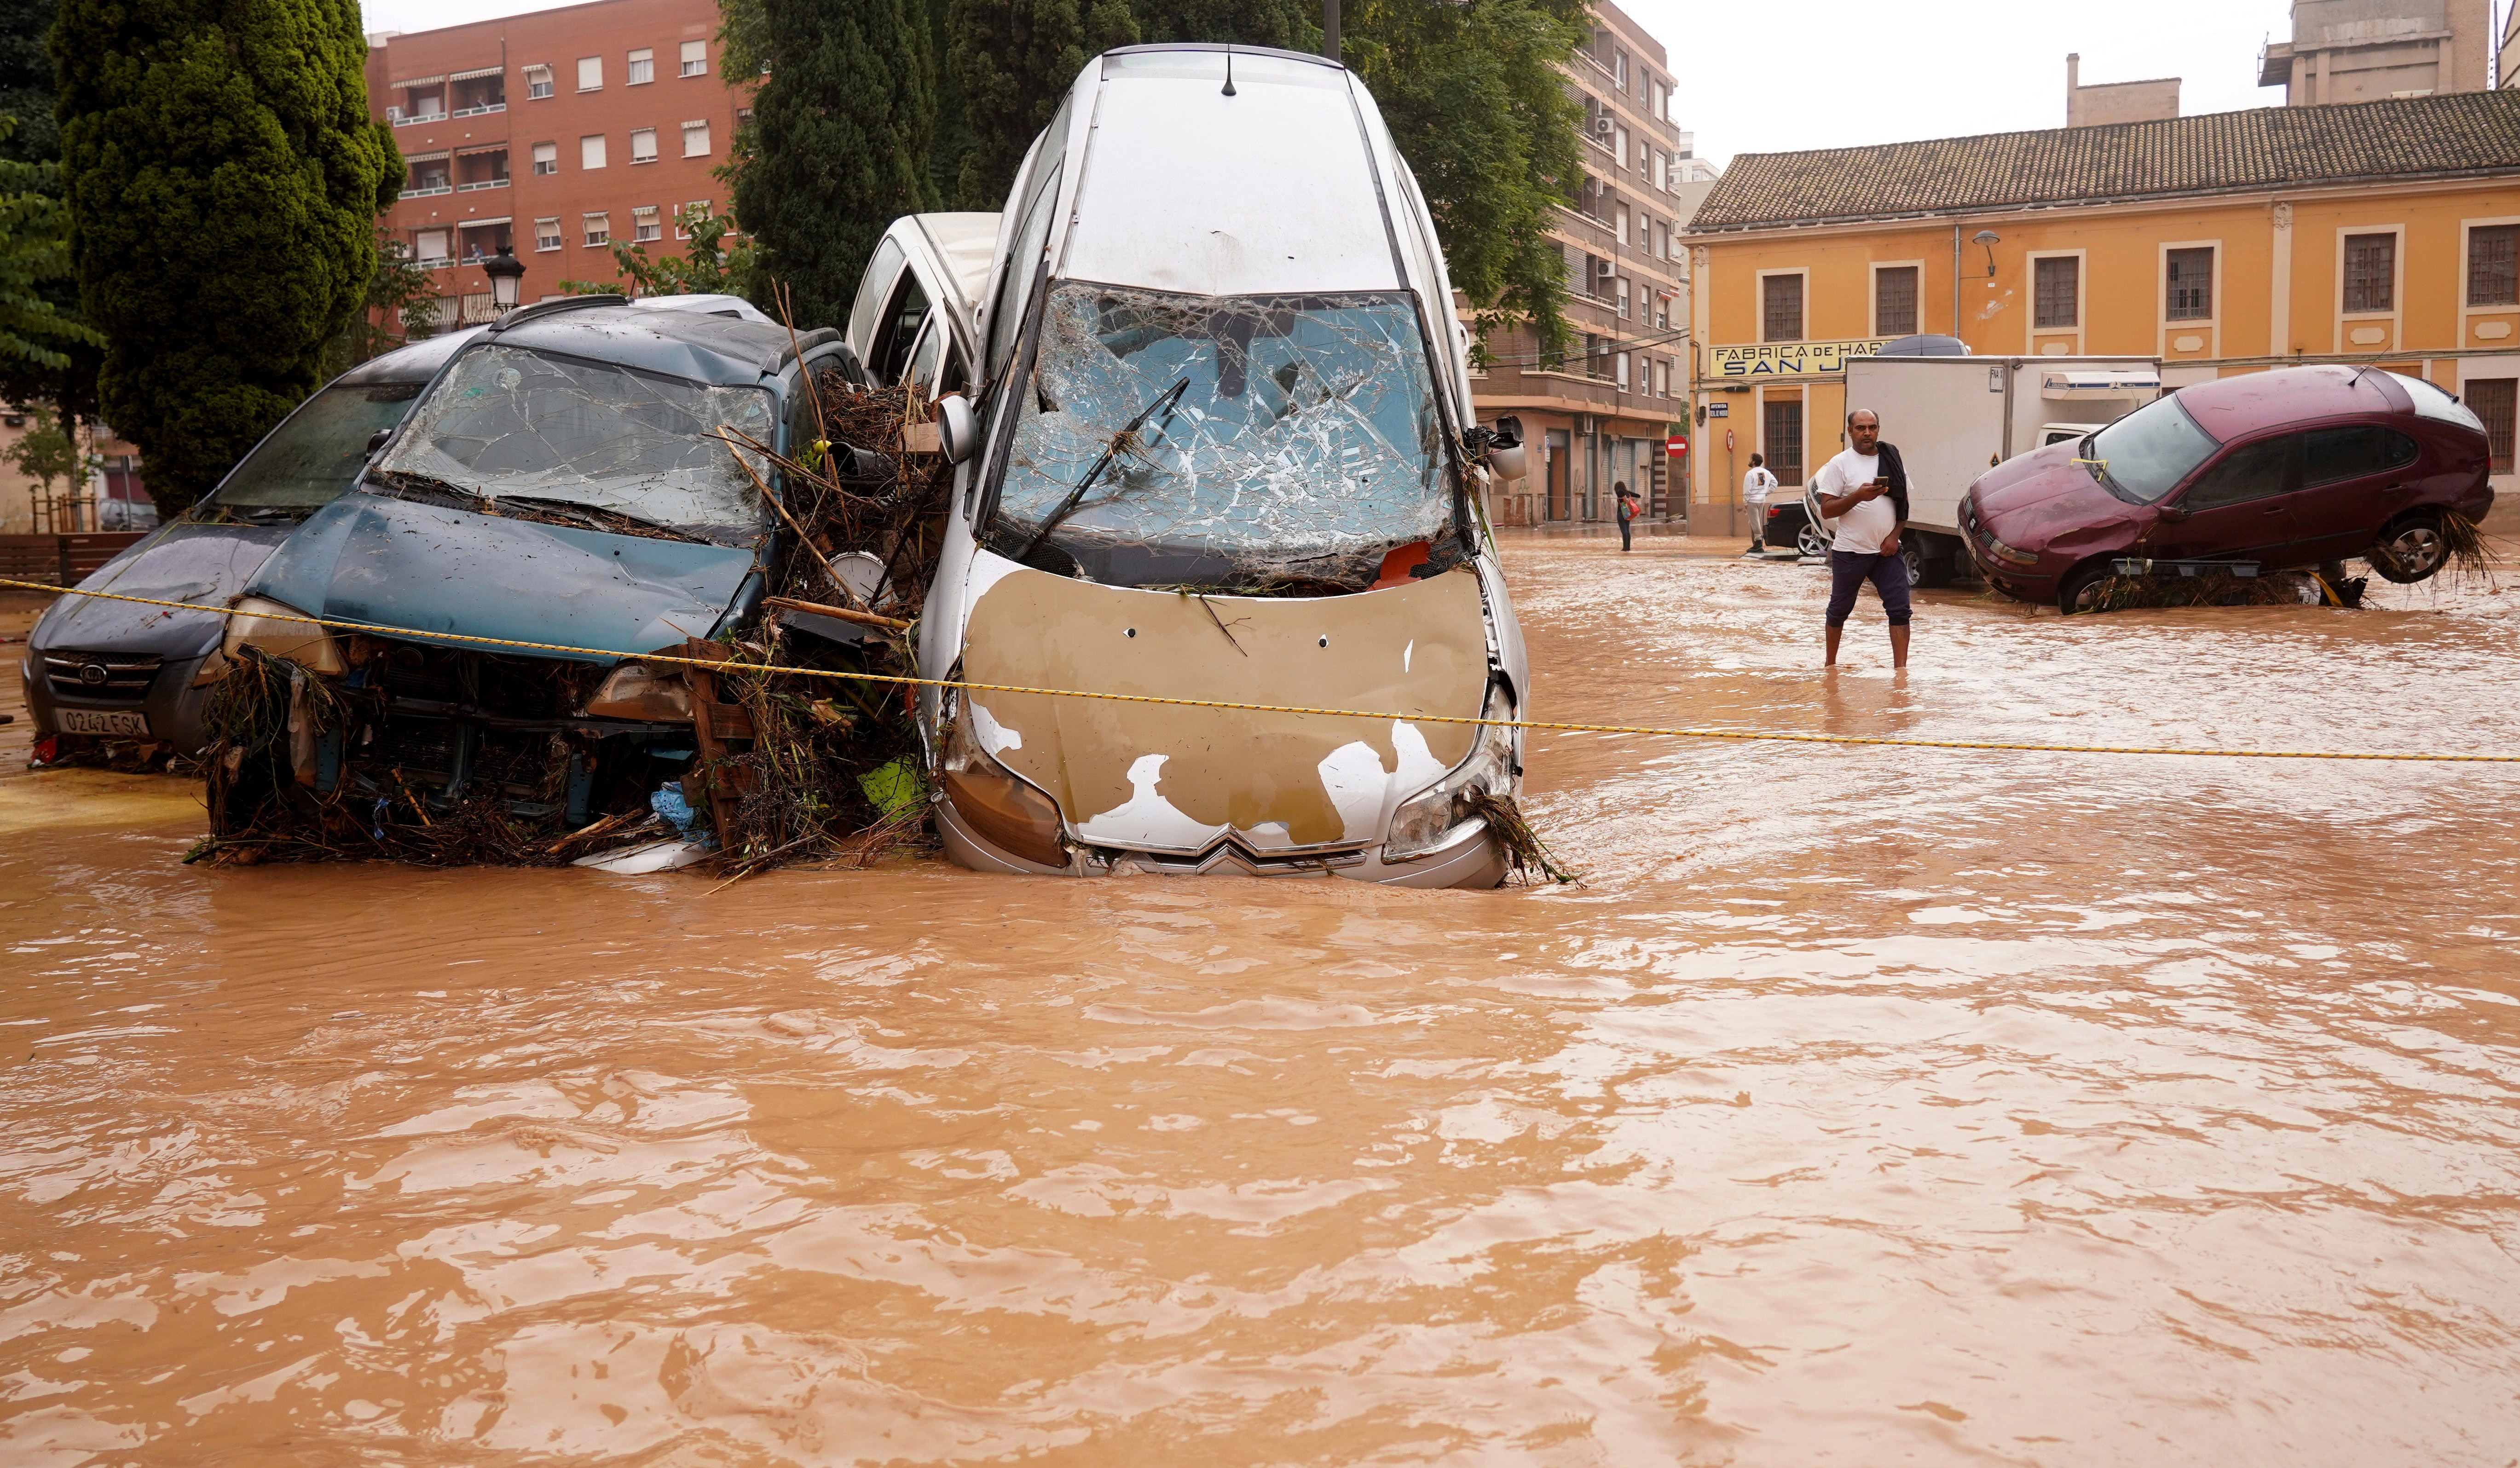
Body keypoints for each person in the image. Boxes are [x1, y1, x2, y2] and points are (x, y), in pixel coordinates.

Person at [1814, 409, 1911, 668]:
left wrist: (1894, 537)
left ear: (1878, 429)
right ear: (1850, 432)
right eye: (1860, 428)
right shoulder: (1840, 463)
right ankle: (1830, 667)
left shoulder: (1892, 459)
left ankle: (1900, 674)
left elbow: (1904, 506)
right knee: (1839, 611)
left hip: (1888, 551)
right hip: (1851, 551)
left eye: (1872, 427)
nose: (1867, 433)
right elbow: (1827, 509)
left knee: (1900, 610)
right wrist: (1858, 496)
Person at [1741, 453, 1778, 557]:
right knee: (1754, 522)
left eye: (1750, 459)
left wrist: (1745, 502)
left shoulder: (1750, 474)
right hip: (1761, 500)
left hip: (1752, 501)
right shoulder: (1767, 473)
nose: (1749, 460)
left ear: (1753, 462)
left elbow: (1747, 490)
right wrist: (1766, 493)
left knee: (1755, 522)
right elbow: (1775, 483)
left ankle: (1758, 544)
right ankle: (1756, 545)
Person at [1614, 482, 1639, 551]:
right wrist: (1632, 502)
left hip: (1621, 512)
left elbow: (1620, 492)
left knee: (1624, 531)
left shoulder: (1619, 492)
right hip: (1628, 512)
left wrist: (1625, 497)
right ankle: (1628, 548)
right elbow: (1638, 496)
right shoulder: (1627, 492)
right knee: (1627, 531)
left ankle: (1625, 549)